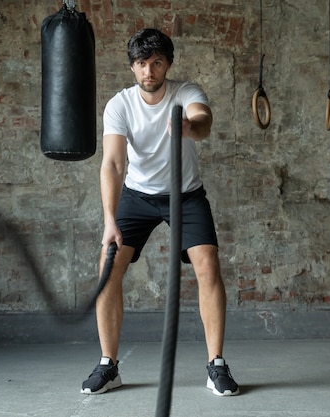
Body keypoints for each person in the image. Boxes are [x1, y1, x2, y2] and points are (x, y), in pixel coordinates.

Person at [80, 28, 240, 397]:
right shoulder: (119, 105)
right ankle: (109, 365)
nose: (148, 71)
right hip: (137, 197)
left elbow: (204, 122)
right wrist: (109, 220)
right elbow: (113, 165)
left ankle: (216, 364)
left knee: (208, 265)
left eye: (156, 63)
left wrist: (188, 126)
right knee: (107, 268)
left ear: (168, 64)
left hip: (186, 196)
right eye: (141, 64)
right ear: (133, 68)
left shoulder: (186, 93)